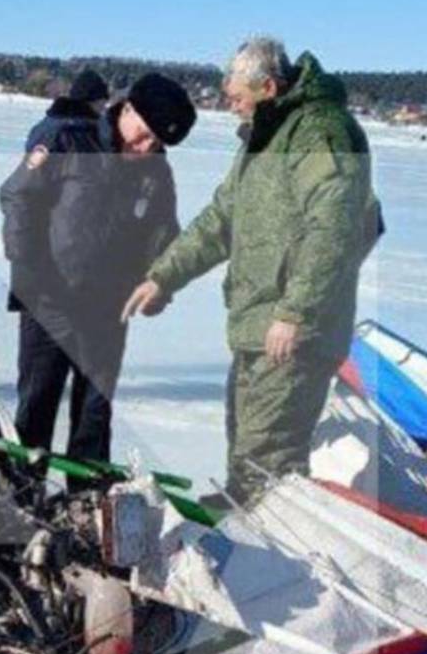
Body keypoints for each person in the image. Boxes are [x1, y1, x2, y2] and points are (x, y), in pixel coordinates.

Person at [121, 38, 383, 507]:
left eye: (236, 91)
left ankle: (278, 568)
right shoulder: (264, 136)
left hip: (292, 334)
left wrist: (295, 312)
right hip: (256, 328)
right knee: (247, 460)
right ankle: (246, 543)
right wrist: (163, 275)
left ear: (268, 85)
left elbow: (333, 230)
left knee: (269, 469)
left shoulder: (320, 133)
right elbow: (221, 220)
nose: (228, 98)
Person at [0, 73, 195, 472]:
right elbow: (18, 196)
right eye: (143, 134)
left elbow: (163, 233)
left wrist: (159, 286)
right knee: (37, 407)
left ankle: (86, 503)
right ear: (126, 109)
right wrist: (28, 266)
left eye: (157, 143)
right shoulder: (67, 140)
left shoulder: (156, 172)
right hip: (49, 300)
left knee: (94, 415)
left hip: (109, 309)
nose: (145, 147)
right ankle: (21, 494)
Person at [22, 69, 110, 152]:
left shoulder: (50, 121)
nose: (104, 108)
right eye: (101, 103)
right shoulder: (83, 128)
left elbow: (30, 148)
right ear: (91, 100)